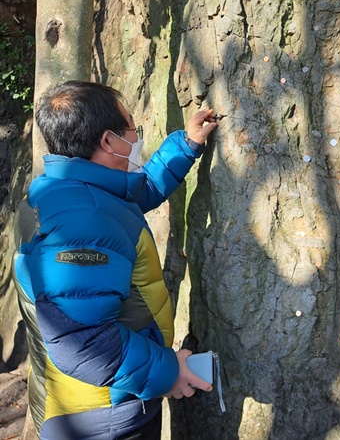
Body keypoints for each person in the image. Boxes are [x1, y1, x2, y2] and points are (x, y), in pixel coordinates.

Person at [12, 81, 218, 439]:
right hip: (104, 414)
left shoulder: (60, 193)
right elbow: (85, 342)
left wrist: (186, 145)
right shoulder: (84, 220)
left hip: (95, 399)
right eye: (132, 130)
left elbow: (138, 192)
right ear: (108, 141)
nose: (136, 139)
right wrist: (168, 373)